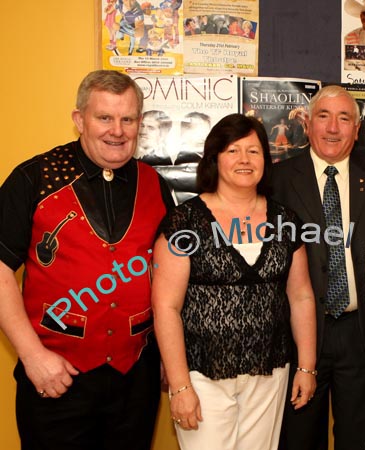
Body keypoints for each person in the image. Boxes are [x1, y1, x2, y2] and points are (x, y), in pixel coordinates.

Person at [0, 70, 173, 449]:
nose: (117, 130)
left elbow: (170, 280)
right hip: (56, 379)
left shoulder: (155, 184)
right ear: (79, 120)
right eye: (104, 118)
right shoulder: (35, 179)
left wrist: (168, 354)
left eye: (127, 119)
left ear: (139, 124)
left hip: (135, 381)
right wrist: (32, 357)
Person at [152, 113, 317, 450]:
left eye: (253, 152)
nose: (244, 160)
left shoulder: (285, 220)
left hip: (269, 372)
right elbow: (166, 307)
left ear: (265, 162)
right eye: (233, 151)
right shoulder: (185, 222)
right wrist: (180, 386)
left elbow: (301, 297)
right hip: (201, 375)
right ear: (214, 159)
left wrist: (307, 367)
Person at [272, 85, 365, 450]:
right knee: (298, 438)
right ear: (308, 125)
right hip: (299, 334)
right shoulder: (277, 180)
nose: (333, 128)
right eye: (324, 117)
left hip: (360, 333)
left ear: (357, 128)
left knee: (357, 438)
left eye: (344, 118)